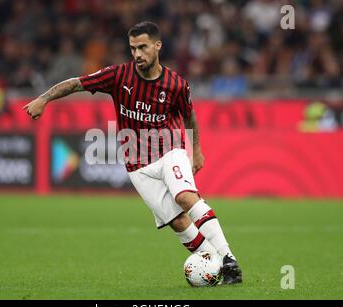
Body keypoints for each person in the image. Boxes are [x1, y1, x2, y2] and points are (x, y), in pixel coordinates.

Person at [22, 21, 242, 285]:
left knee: (184, 197)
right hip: (137, 165)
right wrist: (43, 99)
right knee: (177, 222)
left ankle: (229, 259)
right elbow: (76, 83)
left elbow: (189, 116)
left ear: (157, 46)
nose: (137, 54)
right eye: (133, 48)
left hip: (170, 151)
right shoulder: (118, 76)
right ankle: (212, 264)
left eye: (143, 47)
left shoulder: (176, 84)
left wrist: (196, 151)